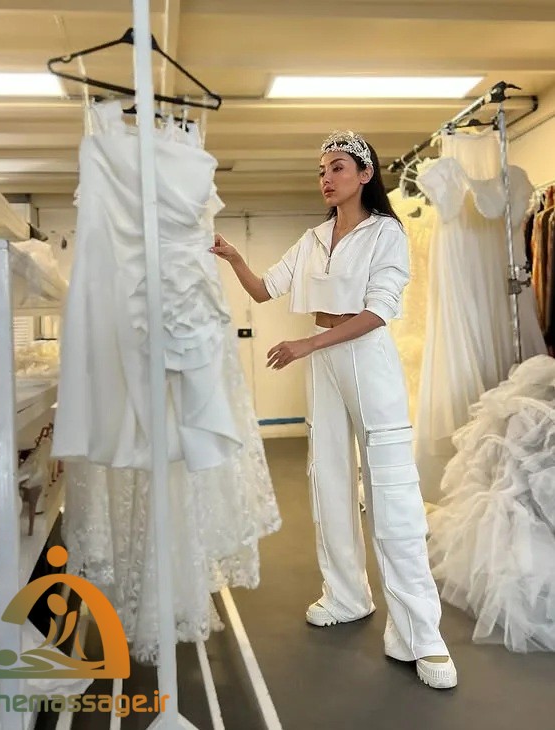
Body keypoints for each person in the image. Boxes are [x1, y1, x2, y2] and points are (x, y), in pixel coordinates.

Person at [210, 130, 457, 690]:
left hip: (366, 358)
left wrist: (307, 344)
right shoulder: (314, 238)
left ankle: (421, 634)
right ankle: (346, 596)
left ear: (366, 175)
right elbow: (264, 290)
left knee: (391, 491)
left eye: (338, 167)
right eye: (322, 170)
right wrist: (234, 257)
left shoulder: (387, 232)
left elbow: (378, 312)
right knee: (328, 479)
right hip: (324, 363)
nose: (326, 177)